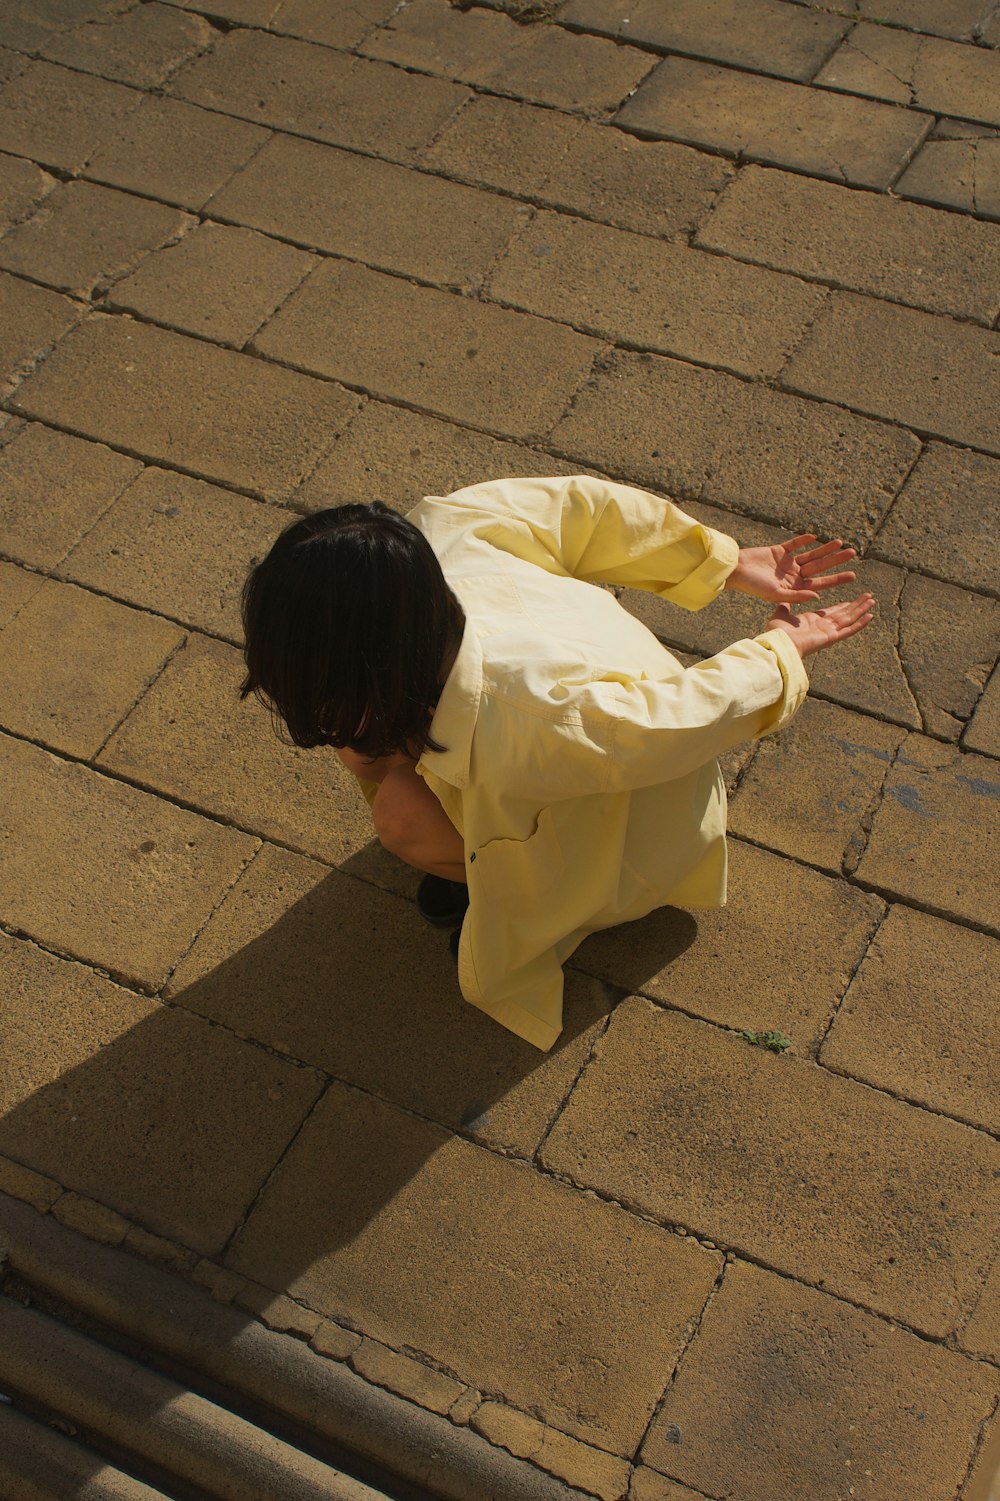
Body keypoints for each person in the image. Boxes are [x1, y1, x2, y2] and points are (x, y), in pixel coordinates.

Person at [241, 475, 873, 1051]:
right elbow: (582, 509)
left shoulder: (538, 718)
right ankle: (468, 841)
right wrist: (721, 560)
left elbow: (678, 719)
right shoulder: (435, 535)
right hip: (584, 757)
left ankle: (509, 887)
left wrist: (779, 652)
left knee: (400, 813)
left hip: (635, 836)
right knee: (361, 746)